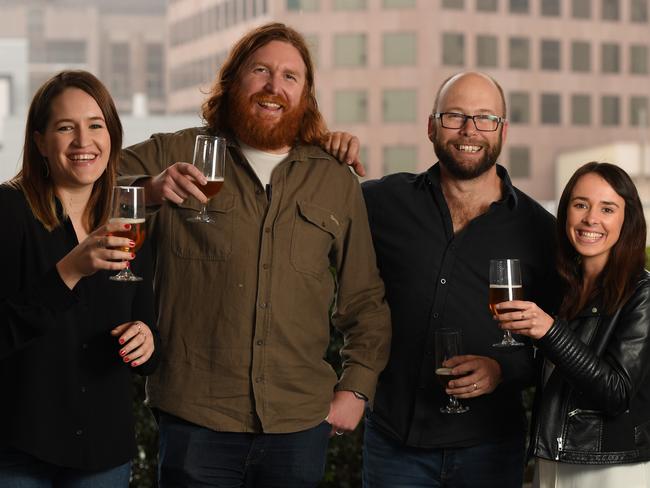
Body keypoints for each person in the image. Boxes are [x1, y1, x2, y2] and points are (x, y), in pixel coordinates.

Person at [119, 23, 391, 487]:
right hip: (195, 419)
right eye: (260, 70)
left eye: (290, 77)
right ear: (233, 79)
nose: (274, 86)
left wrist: (356, 388)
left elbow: (364, 298)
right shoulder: (174, 151)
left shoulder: (334, 179)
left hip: (299, 426)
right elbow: (77, 191)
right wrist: (149, 191)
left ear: (305, 94)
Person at [361, 71, 558, 488]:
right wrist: (325, 148)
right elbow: (312, 209)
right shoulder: (382, 202)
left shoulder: (542, 231)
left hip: (490, 448)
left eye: (486, 118)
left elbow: (558, 343)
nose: (470, 130)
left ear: (503, 130)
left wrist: (503, 369)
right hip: (395, 444)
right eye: (455, 116)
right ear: (431, 126)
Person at [0, 70, 160, 486]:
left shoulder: (131, 219)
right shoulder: (8, 211)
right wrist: (69, 271)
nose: (83, 141)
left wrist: (147, 337)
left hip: (103, 452)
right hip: (19, 449)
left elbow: (150, 330)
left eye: (95, 125)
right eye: (65, 127)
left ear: (112, 135)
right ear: (40, 142)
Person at [496, 162, 650, 487]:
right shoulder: (565, 288)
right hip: (552, 460)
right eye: (581, 204)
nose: (590, 219)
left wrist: (550, 333)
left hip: (608, 470)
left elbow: (616, 393)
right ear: (566, 212)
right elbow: (552, 374)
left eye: (607, 209)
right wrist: (496, 370)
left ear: (628, 220)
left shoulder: (643, 294)